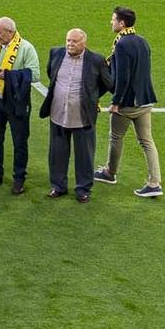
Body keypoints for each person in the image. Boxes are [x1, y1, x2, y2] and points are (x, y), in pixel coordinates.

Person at [98, 6, 162, 198]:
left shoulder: (123, 44)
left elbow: (123, 77)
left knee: (116, 137)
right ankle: (154, 182)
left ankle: (110, 173)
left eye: (113, 19)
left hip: (128, 103)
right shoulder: (143, 41)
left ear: (122, 23)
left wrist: (116, 102)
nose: (111, 22)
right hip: (145, 100)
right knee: (147, 141)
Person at [42, 28, 110, 201]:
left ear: (84, 43)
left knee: (84, 155)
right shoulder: (56, 53)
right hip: (58, 112)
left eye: (74, 41)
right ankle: (58, 186)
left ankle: (83, 189)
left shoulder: (96, 60)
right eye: (68, 40)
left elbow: (107, 83)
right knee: (57, 153)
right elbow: (51, 73)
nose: (70, 44)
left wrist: (92, 97)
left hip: (82, 116)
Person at [0, 17, 38, 194]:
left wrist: (9, 76)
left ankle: (19, 178)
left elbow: (34, 75)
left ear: (10, 32)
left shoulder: (26, 48)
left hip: (15, 101)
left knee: (19, 141)